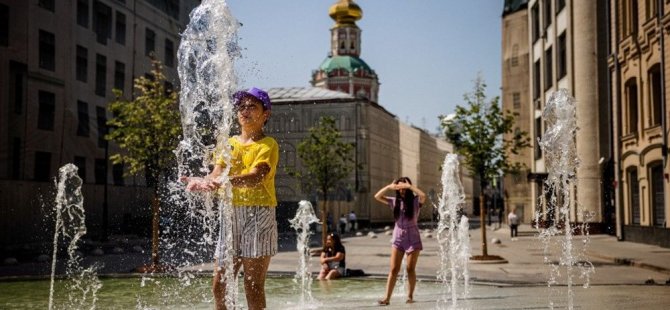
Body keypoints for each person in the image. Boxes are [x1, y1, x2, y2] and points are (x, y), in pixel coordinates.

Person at [182, 87, 278, 310]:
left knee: (252, 284)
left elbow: (257, 176)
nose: (245, 110)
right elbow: (217, 173)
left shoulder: (268, 144)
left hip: (259, 213)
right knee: (220, 284)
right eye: (241, 106)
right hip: (231, 212)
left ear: (265, 115)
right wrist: (205, 182)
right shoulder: (227, 143)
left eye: (252, 106)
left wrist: (225, 181)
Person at [373, 177, 426, 306]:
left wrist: (410, 186)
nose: (401, 189)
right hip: (398, 238)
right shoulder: (394, 202)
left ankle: (410, 296)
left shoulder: (415, 201)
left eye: (403, 187)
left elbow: (423, 195)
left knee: (410, 269)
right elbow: (377, 196)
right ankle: (387, 298)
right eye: (399, 187)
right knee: (394, 269)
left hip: (413, 238)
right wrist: (389, 187)